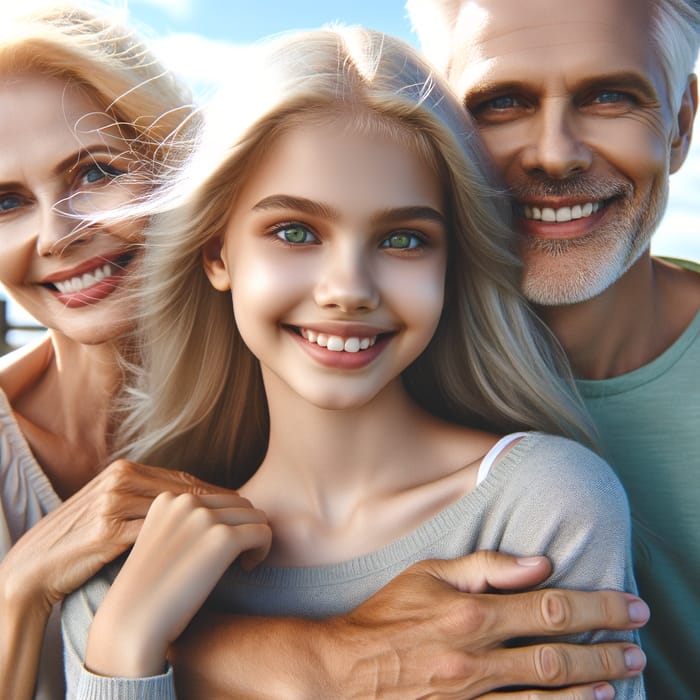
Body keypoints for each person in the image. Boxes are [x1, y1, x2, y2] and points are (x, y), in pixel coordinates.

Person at [0, 5, 648, 700]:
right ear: (216, 251)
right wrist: (119, 644)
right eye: (295, 232)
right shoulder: (129, 572)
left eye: (403, 239)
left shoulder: (545, 502)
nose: (348, 290)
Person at [404, 0, 700, 695]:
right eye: (502, 103)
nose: (556, 154)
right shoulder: (349, 364)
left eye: (609, 96)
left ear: (683, 122)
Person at [0, 4, 249, 698]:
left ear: (175, 168)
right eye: (5, 202)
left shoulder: (287, 394)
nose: (56, 234)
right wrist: (22, 587)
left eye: (93, 173)